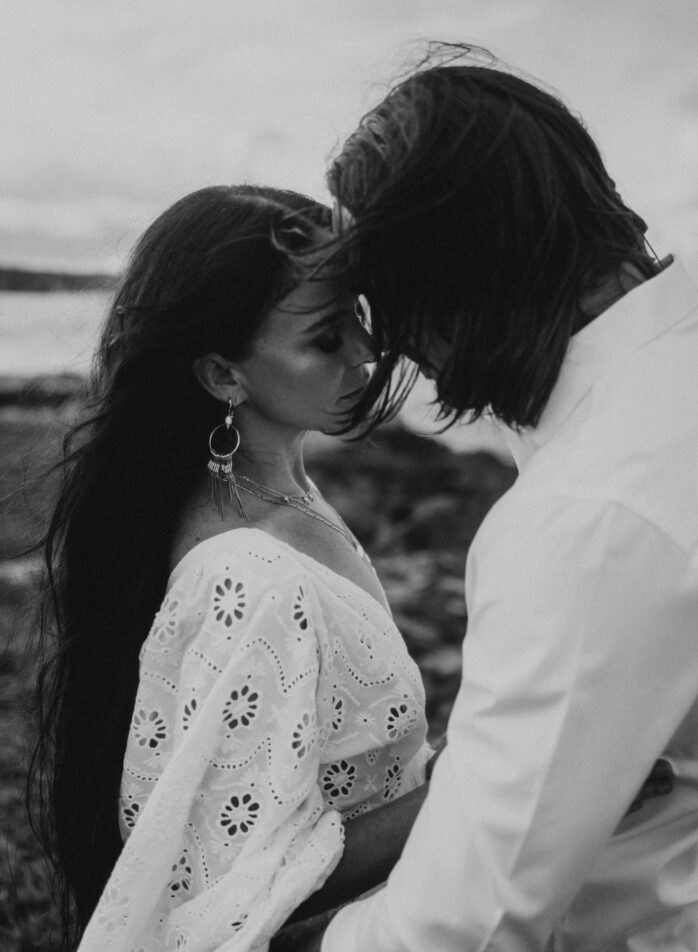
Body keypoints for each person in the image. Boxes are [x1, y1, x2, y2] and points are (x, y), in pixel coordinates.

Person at [287, 47, 698, 951]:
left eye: (386, 301)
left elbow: (465, 928)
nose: (392, 348)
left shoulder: (585, 517)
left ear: (454, 281)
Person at [29, 184, 439, 952]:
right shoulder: (251, 578)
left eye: (357, 311)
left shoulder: (280, 492)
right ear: (224, 376)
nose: (366, 349)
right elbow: (234, 886)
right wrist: (469, 791)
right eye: (324, 337)